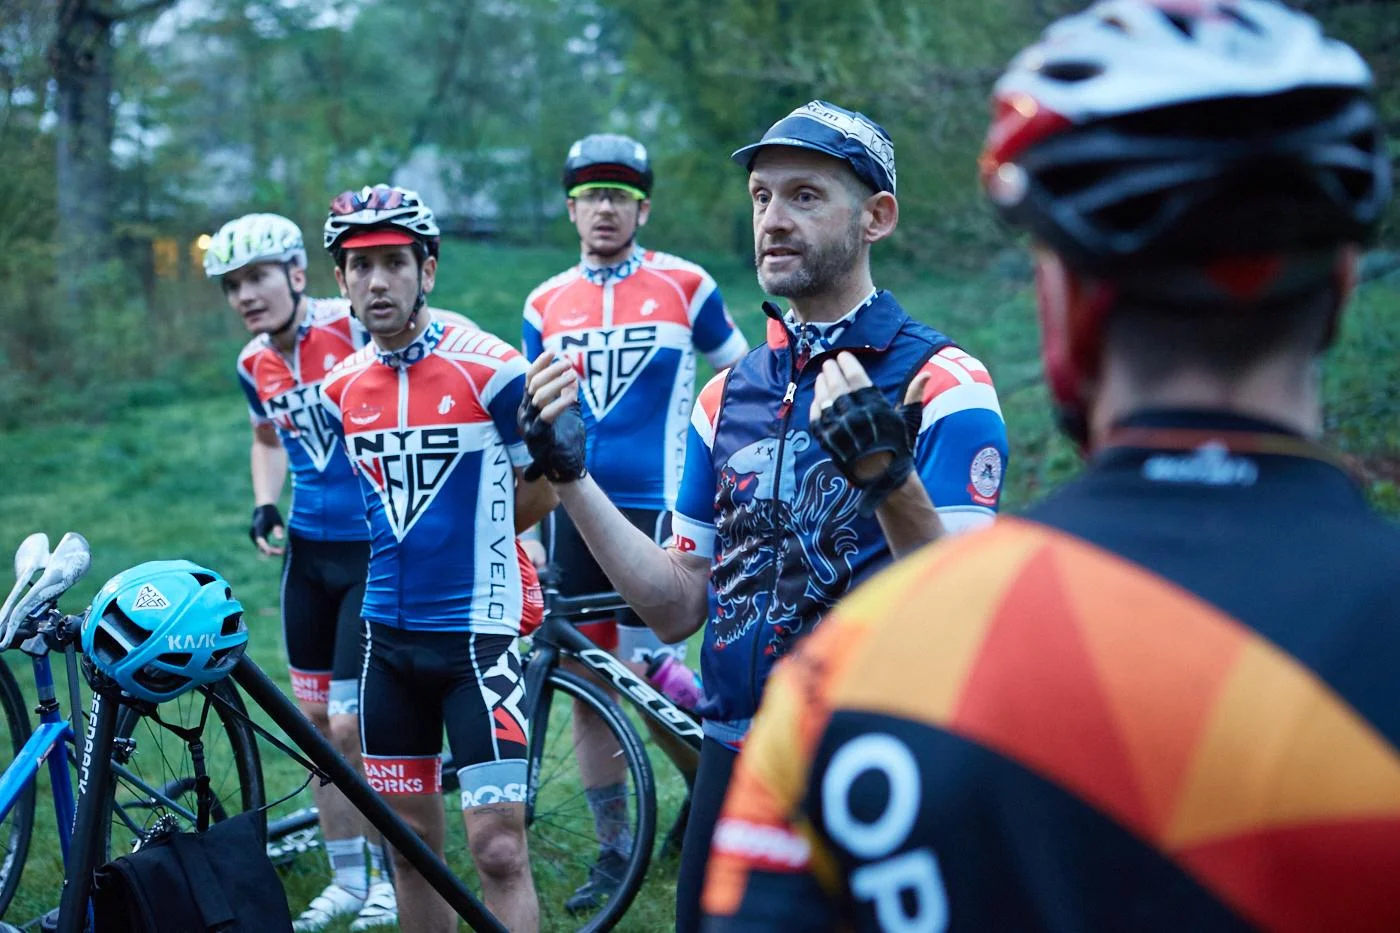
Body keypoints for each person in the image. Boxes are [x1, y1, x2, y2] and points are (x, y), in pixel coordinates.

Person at [701, 2, 1400, 931]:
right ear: (1342, 289)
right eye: (763, 196)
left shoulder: (856, 673)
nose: (774, 218)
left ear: (1060, 305)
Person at [520, 101, 1008, 931]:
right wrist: (570, 477)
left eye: (805, 195)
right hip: (734, 752)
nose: (774, 218)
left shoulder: (944, 383)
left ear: (876, 216)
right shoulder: (728, 394)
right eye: (761, 197)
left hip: (873, 761)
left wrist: (891, 482)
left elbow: (967, 618)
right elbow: (676, 604)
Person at [520, 132, 750, 909]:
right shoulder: (543, 303)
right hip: (574, 513)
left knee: (654, 669)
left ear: (643, 208)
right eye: (591, 195)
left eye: (620, 194)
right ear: (571, 209)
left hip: (661, 508)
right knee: (589, 678)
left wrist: (733, 485)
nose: (606, 208)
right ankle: (615, 847)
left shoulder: (687, 285)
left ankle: (715, 793)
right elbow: (532, 421)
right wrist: (527, 527)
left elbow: (743, 382)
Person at [319, 184, 554, 933]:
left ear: (427, 269)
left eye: (394, 262)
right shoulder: (338, 390)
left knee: (499, 850)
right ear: (341, 280)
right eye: (360, 267)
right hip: (386, 645)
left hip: (477, 645)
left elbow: (544, 485)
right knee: (409, 845)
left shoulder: (493, 369)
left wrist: (489, 542)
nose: (377, 281)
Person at [205, 213, 397, 931]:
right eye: (232, 285)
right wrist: (265, 501)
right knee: (312, 723)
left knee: (352, 722)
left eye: (256, 277)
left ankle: (391, 875)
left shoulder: (350, 326)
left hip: (372, 548)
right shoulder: (252, 362)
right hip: (309, 556)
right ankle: (347, 879)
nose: (245, 295)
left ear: (294, 272)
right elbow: (267, 436)